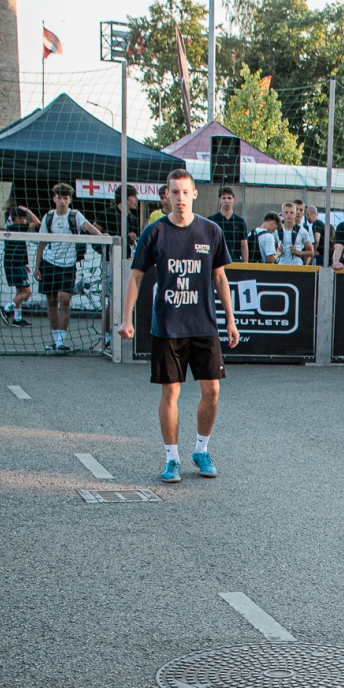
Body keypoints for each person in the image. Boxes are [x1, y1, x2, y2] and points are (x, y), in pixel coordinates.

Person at [118, 169, 240, 483]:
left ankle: (201, 450)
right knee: (170, 392)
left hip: (204, 325)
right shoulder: (154, 232)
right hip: (168, 326)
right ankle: (172, 458)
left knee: (212, 390)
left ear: (194, 194)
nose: (180, 198)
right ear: (167, 195)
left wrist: (230, 320)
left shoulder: (211, 231)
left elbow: (220, 278)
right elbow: (135, 277)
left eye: (185, 192)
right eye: (174, 192)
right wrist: (126, 318)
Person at [38, 183, 101, 353]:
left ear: (69, 200)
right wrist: (37, 267)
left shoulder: (75, 216)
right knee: (51, 301)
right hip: (49, 263)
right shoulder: (48, 217)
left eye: (65, 198)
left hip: (68, 264)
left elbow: (88, 226)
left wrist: (102, 236)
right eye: (59, 198)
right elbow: (42, 242)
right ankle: (55, 339)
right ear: (54, 199)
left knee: (64, 299)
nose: (62, 201)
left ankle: (61, 340)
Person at [0, 202, 39, 326]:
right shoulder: (18, 228)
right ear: (17, 219)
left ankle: (17, 318)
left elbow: (19, 247)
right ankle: (6, 308)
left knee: (20, 291)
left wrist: (25, 263)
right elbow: (37, 222)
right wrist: (27, 210)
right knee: (26, 292)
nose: (25, 221)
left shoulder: (10, 228)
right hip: (15, 263)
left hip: (13, 263)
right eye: (23, 218)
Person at [211, 186, 252, 264]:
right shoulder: (211, 220)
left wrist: (245, 265)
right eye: (224, 198)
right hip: (216, 262)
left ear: (234, 200)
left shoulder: (240, 222)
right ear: (219, 200)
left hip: (235, 262)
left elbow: (244, 245)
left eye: (229, 198)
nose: (227, 201)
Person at [275, 199, 315, 266]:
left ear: (295, 214)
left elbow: (311, 252)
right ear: (282, 213)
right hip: (280, 265)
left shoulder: (303, 231)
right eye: (286, 212)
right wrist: (277, 252)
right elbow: (269, 249)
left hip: (297, 265)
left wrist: (298, 252)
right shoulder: (277, 230)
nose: (289, 215)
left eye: (291, 213)